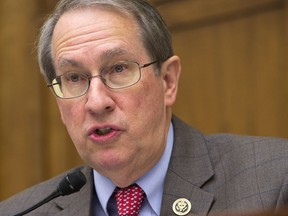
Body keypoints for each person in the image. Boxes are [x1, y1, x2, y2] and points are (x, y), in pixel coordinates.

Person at [1, 0, 288, 215]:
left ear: (168, 80)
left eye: (118, 69)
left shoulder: (275, 180)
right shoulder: (20, 212)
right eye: (74, 78)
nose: (97, 102)